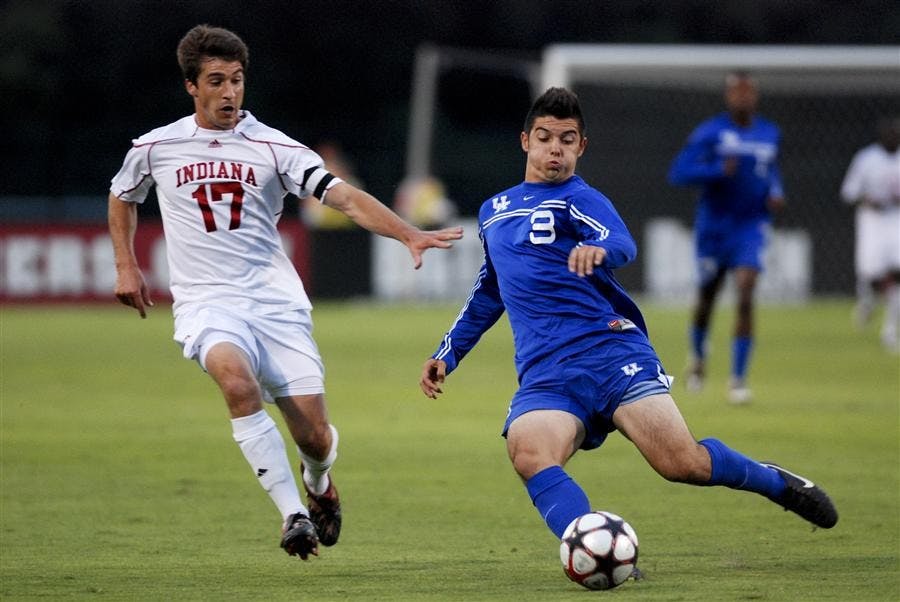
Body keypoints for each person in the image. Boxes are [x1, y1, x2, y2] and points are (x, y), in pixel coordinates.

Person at [419, 87, 837, 556]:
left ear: (581, 147)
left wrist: (601, 250)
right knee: (529, 452)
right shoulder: (493, 213)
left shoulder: (581, 199)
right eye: (545, 137)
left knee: (681, 463)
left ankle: (775, 482)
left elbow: (621, 242)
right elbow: (490, 290)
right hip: (546, 373)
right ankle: (594, 550)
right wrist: (446, 354)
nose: (555, 148)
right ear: (525, 142)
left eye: (567, 139)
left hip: (611, 353)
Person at [108, 24, 463, 561]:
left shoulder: (274, 146)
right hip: (207, 303)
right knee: (235, 380)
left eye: (237, 80)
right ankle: (292, 515)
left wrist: (407, 231)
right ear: (191, 87)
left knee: (315, 438)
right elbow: (122, 195)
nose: (230, 93)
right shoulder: (156, 146)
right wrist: (126, 266)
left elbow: (343, 198)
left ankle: (319, 485)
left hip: (276, 304)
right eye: (217, 81)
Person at [667, 71, 785, 404]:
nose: (743, 98)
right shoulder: (710, 133)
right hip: (715, 228)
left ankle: (737, 379)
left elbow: (771, 171)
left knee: (746, 291)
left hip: (751, 226)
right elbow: (678, 172)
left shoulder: (769, 133)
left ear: (755, 96)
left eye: (749, 92)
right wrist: (717, 170)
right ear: (728, 97)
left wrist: (776, 191)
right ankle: (698, 357)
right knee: (707, 297)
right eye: (738, 92)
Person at [839, 116, 900, 353]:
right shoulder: (867, 158)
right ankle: (868, 301)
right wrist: (868, 199)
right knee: (872, 276)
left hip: (896, 219)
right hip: (871, 220)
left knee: (896, 274)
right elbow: (848, 192)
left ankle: (889, 330)